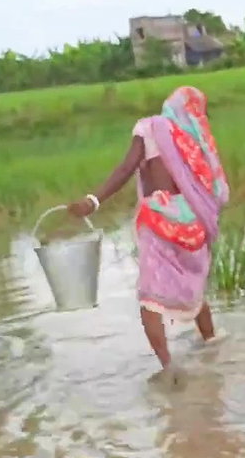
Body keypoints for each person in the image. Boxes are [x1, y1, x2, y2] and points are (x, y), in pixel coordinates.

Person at [68, 86, 228, 371]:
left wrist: (94, 201)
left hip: (160, 218)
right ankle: (212, 342)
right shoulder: (196, 140)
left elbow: (126, 168)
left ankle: (168, 367)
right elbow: (209, 189)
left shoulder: (151, 128)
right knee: (194, 285)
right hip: (192, 221)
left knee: (150, 296)